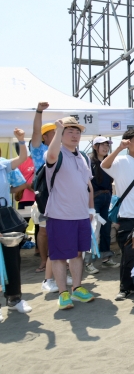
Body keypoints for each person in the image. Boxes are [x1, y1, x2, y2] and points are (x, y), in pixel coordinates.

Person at [44, 117, 95, 310]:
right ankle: (62, 293)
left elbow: (88, 185)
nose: (75, 135)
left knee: (78, 253)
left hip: (81, 215)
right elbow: (51, 156)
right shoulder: (56, 153)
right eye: (70, 132)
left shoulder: (83, 157)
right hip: (60, 215)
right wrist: (57, 130)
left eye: (77, 132)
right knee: (59, 256)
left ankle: (77, 288)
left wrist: (90, 209)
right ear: (61, 134)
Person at [101, 128, 134, 301]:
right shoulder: (121, 160)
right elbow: (104, 165)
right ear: (128, 142)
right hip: (127, 216)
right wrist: (119, 148)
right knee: (128, 253)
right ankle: (125, 288)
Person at [0, 127, 31, 316]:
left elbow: (22, 158)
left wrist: (21, 140)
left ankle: (14, 298)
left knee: (12, 258)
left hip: (5, 214)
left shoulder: (3, 164)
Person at [31, 102, 55, 279]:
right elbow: (35, 132)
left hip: (61, 194)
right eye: (53, 133)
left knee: (59, 230)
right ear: (45, 137)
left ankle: (58, 260)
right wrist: (39, 111)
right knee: (44, 231)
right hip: (44, 196)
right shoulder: (39, 150)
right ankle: (44, 261)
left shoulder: (64, 150)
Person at [87, 136, 118, 275]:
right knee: (94, 230)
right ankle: (89, 262)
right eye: (102, 145)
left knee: (106, 229)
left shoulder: (109, 162)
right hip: (94, 199)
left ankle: (106, 257)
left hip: (107, 198)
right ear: (95, 147)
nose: (106, 148)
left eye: (107, 145)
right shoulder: (89, 162)